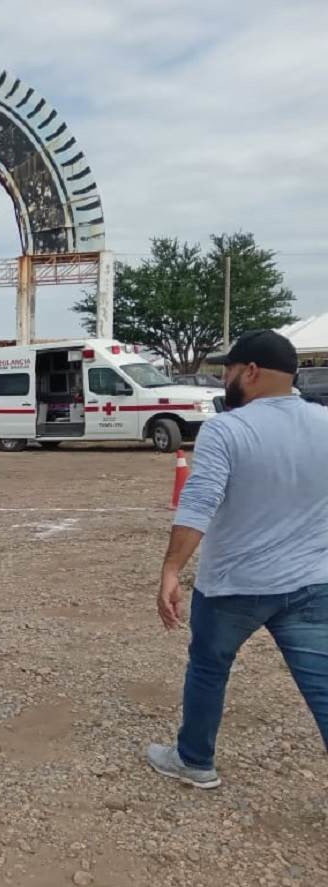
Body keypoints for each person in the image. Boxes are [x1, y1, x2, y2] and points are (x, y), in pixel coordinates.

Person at [149, 330, 328, 790]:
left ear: (249, 371)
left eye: (227, 371)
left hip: (234, 583)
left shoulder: (227, 429)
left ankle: (195, 761)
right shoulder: (325, 422)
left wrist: (172, 569)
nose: (223, 380)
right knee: (323, 685)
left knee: (209, 667)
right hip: (311, 581)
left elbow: (200, 502)